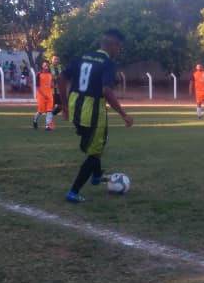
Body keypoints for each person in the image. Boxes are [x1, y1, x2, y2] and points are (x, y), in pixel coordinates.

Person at [58, 29, 134, 203]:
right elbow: (106, 91)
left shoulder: (82, 57)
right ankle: (74, 192)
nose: (119, 50)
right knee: (95, 152)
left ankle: (97, 175)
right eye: (119, 47)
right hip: (93, 110)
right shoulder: (107, 63)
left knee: (92, 145)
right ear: (113, 45)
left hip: (75, 106)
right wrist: (124, 114)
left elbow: (61, 78)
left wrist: (64, 105)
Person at [33, 58, 57, 130]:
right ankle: (35, 120)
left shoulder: (50, 75)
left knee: (49, 111)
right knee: (40, 111)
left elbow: (52, 84)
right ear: (42, 66)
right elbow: (37, 87)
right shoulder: (39, 74)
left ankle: (47, 126)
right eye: (45, 65)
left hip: (49, 95)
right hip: (41, 96)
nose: (46, 66)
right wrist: (43, 95)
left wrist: (53, 85)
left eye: (47, 65)